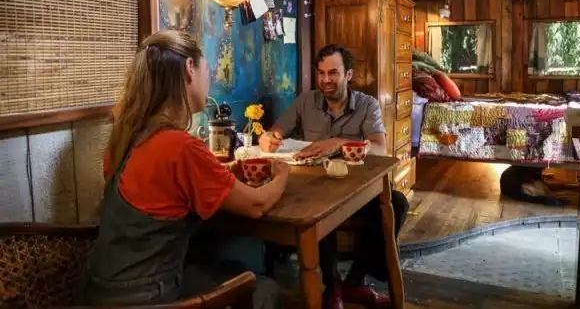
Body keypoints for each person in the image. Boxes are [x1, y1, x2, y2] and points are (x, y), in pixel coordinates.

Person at [74, 30, 289, 308]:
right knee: (266, 288)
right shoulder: (179, 147)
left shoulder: (126, 138)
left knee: (229, 265)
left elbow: (159, 190)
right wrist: (282, 173)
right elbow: (256, 205)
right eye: (207, 71)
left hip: (96, 292)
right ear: (190, 68)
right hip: (147, 299)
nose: (209, 81)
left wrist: (222, 174)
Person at [259, 44, 409, 309]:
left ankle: (354, 282)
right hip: (317, 187)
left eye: (333, 73)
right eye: (321, 73)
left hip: (356, 188)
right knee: (319, 208)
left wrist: (338, 143)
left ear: (348, 74)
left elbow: (379, 148)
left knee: (397, 203)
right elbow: (276, 131)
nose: (325, 80)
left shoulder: (367, 105)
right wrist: (268, 138)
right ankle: (333, 285)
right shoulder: (306, 101)